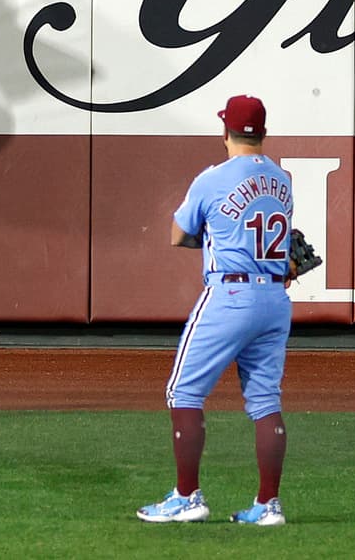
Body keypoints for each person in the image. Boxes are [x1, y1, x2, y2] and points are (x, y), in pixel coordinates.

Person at [136, 95, 294, 526]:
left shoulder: (212, 179)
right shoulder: (283, 179)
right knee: (264, 401)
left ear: (225, 131)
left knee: (182, 392)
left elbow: (178, 234)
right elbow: (286, 248)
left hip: (231, 295)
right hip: (275, 297)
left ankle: (187, 497)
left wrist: (209, 238)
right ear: (262, 132)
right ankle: (268, 505)